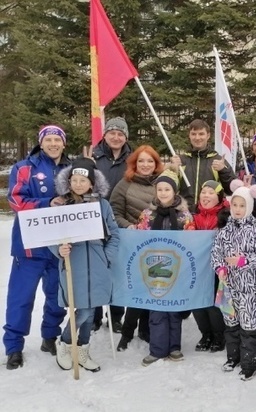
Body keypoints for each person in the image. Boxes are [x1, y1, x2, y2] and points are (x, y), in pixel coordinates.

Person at [3, 125, 70, 370]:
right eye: (49, 139)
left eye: (57, 140)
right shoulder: (24, 168)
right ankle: (13, 347)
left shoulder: (70, 169)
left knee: (56, 297)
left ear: (64, 144)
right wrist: (47, 203)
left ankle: (49, 337)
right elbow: (16, 200)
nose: (53, 144)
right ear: (41, 143)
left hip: (58, 247)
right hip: (29, 248)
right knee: (21, 299)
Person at [50, 158, 120, 372]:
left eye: (83, 180)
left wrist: (107, 257)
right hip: (74, 265)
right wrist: (59, 251)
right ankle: (65, 343)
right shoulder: (62, 205)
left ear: (92, 184)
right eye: (75, 180)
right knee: (83, 311)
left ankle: (82, 349)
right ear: (69, 182)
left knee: (91, 309)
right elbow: (51, 235)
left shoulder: (102, 205)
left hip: (98, 265)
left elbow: (114, 233)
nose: (79, 184)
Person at [210, 179, 256, 381]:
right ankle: (232, 357)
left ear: (249, 207)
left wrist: (243, 261)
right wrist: (219, 267)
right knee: (231, 323)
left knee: (249, 326)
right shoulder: (224, 231)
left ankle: (249, 363)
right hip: (227, 287)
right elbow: (216, 253)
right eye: (235, 205)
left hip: (248, 288)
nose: (237, 209)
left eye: (242, 205)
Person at [135, 166, 195, 366]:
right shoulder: (148, 214)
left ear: (174, 191)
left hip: (176, 268)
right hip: (153, 268)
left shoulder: (184, 216)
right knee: (157, 308)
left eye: (167, 189)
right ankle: (157, 349)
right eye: (159, 189)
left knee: (173, 308)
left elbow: (191, 240)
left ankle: (174, 347)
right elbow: (139, 237)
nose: (163, 193)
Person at [110, 145, 164, 351]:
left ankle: (146, 328)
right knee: (137, 289)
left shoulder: (162, 183)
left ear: (156, 164)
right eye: (141, 161)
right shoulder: (124, 185)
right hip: (132, 243)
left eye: (150, 161)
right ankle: (127, 331)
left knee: (153, 286)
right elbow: (114, 212)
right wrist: (129, 226)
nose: (145, 165)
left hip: (156, 244)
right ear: (134, 163)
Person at [91, 116, 133, 333]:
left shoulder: (132, 159)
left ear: (125, 137)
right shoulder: (93, 157)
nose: (116, 137)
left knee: (117, 269)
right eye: (112, 133)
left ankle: (116, 316)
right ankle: (95, 314)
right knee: (96, 268)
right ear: (105, 135)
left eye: (120, 134)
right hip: (95, 221)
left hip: (121, 221)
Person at [192, 180, 229, 352]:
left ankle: (219, 335)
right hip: (196, 265)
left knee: (214, 303)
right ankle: (205, 333)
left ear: (219, 197)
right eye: (203, 192)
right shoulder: (192, 215)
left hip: (216, 267)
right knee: (197, 302)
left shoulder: (226, 216)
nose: (206, 196)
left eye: (211, 192)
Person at [171, 119, 236, 211]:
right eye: (193, 134)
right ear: (189, 135)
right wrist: (171, 167)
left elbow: (231, 189)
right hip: (185, 214)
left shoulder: (217, 160)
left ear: (208, 135)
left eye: (201, 134)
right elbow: (167, 187)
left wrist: (224, 171)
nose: (197, 138)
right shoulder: (181, 160)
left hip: (210, 216)